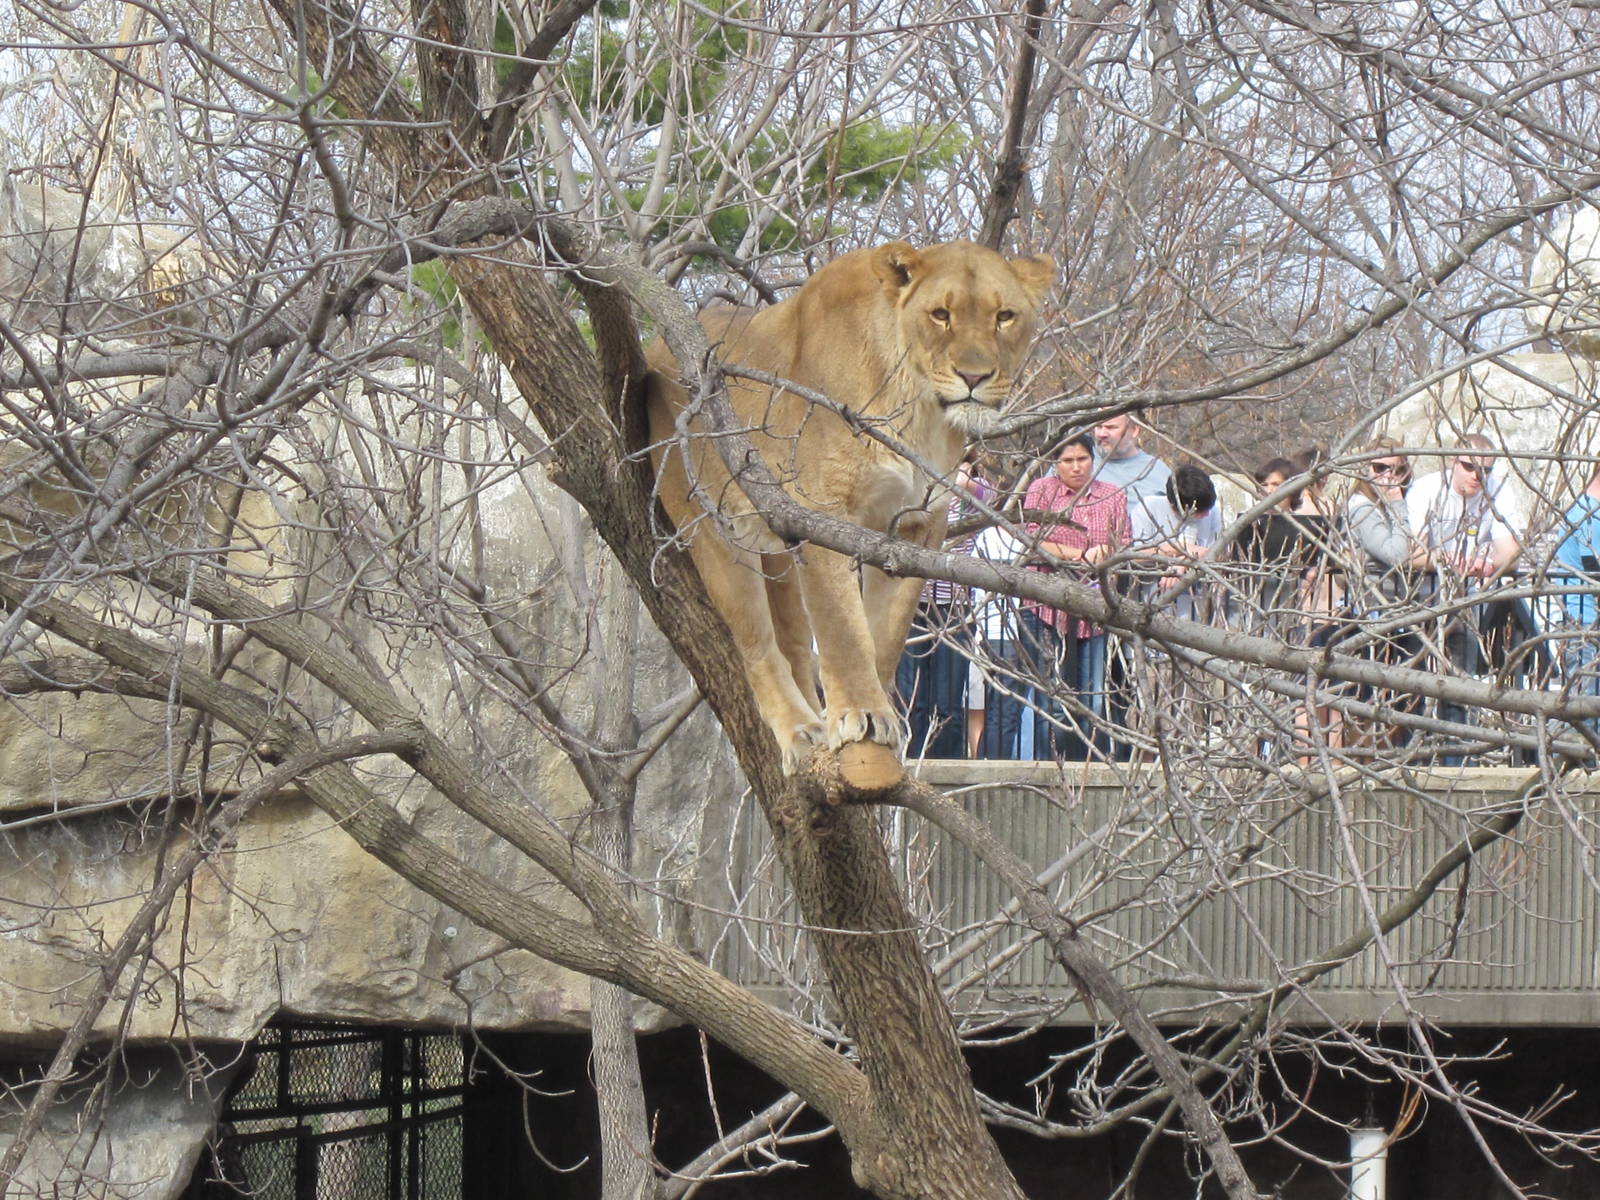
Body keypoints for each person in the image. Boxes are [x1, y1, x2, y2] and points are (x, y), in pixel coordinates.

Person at [1407, 433, 1524, 762]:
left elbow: (1511, 552)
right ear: (1453, 462)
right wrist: (1448, 561)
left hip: (1467, 601)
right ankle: (1412, 762)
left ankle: (1457, 763)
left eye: (1485, 470)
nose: (1477, 476)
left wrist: (1485, 563)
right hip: (1421, 599)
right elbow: (1413, 553)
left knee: (1461, 684)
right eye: (1469, 466)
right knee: (1415, 685)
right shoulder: (1427, 489)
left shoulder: (1498, 490)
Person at [1021, 433, 1128, 760]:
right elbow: (1032, 539)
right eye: (1068, 461)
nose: (1076, 467)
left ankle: (1087, 765)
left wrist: (1104, 553)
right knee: (1051, 699)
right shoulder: (1042, 490)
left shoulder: (1112, 494)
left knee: (1093, 696)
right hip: (1046, 606)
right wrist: (1078, 556)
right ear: (1056, 463)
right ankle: (1050, 765)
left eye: (1082, 459)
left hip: (1095, 609)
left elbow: (1123, 541)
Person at [895, 454, 986, 759]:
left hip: (954, 609)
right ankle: (911, 758)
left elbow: (979, 490)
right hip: (914, 605)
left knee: (948, 701)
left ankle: (948, 763)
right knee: (913, 698)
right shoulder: (915, 493)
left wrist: (958, 475)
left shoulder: (972, 497)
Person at [1128, 463, 1221, 622]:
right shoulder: (1148, 507)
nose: (1206, 515)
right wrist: (1180, 548)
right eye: (1199, 511)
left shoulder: (1213, 513)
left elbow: (1216, 553)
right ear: (1174, 504)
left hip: (1198, 606)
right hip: (1152, 599)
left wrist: (1183, 562)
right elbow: (1135, 556)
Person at [1551, 460, 1600, 735]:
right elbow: (1595, 567)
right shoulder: (1587, 513)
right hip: (1585, 625)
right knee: (1583, 712)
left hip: (1585, 623)